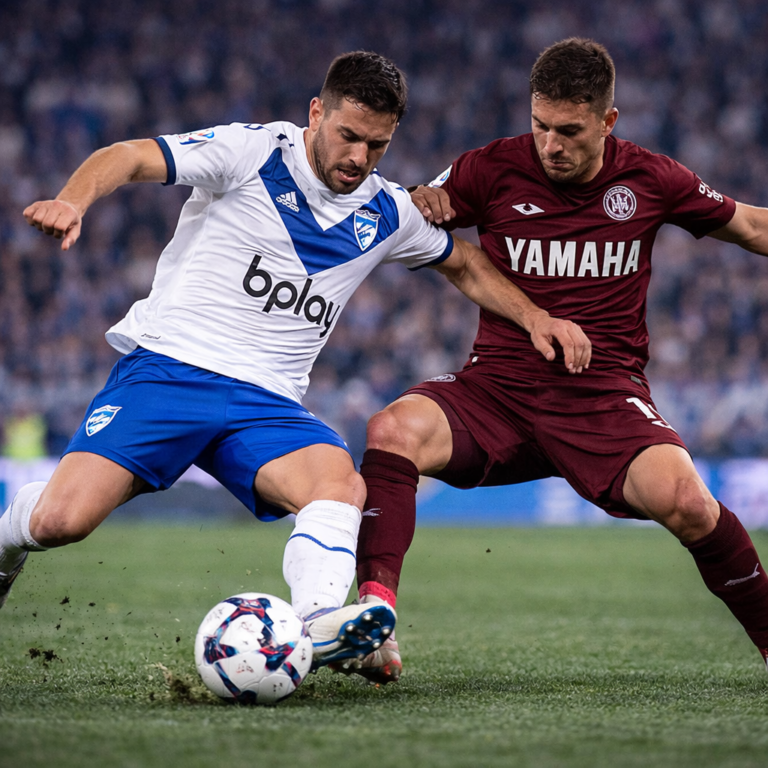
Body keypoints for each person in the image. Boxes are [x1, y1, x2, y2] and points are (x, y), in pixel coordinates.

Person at [0, 51, 590, 671]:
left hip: (266, 404)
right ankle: (6, 543)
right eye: (348, 136)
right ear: (316, 113)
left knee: (339, 481)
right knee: (63, 520)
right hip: (169, 370)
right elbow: (127, 155)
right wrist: (73, 200)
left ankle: (318, 626)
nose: (359, 158)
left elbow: (465, 263)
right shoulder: (251, 153)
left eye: (377, 146)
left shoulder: (386, 211)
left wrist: (538, 319)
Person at [348, 38, 768, 684]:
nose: (551, 145)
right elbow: (409, 206)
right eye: (540, 126)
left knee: (688, 500)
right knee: (392, 429)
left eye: (569, 131)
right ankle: (375, 623)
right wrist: (421, 196)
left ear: (608, 121)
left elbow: (752, 227)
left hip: (603, 399)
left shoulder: (652, 179)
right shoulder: (490, 168)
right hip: (497, 391)